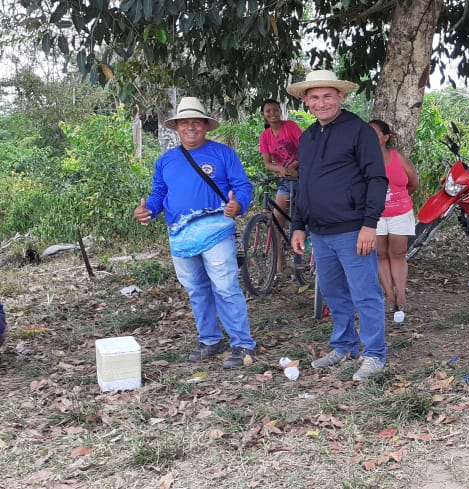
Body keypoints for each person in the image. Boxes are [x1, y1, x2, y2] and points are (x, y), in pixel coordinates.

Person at [133, 97, 257, 369]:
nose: (190, 127)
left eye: (196, 121)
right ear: (177, 127)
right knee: (196, 289)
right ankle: (211, 339)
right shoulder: (166, 160)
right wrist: (148, 211)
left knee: (225, 287)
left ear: (205, 126)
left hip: (217, 232)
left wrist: (238, 205)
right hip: (180, 236)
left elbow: (243, 186)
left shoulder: (224, 154)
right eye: (184, 122)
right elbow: (158, 195)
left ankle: (242, 344)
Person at [287, 70, 389, 380]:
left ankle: (374, 354)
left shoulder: (359, 131)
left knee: (365, 293)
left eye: (327, 96)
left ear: (340, 97)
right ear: (306, 101)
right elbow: (304, 184)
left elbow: (377, 179)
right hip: (320, 231)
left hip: (353, 230)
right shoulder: (308, 137)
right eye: (314, 97)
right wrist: (299, 225)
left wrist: (370, 225)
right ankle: (345, 345)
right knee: (333, 292)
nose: (321, 103)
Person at [369, 119, 419, 324]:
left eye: (375, 133)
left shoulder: (399, 159)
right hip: (374, 214)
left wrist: (397, 200)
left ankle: (401, 295)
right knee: (380, 254)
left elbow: (413, 184)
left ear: (386, 137)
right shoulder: (362, 160)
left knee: (397, 253)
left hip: (400, 213)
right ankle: (389, 295)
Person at [258, 98, 302, 276]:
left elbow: (306, 149)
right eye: (268, 111)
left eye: (276, 110)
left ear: (281, 112)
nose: (273, 114)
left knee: (306, 214)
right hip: (285, 179)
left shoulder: (290, 126)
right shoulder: (265, 136)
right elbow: (267, 164)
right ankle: (280, 263)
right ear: (263, 114)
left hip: (303, 175)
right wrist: (282, 169)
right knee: (277, 221)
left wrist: (293, 167)